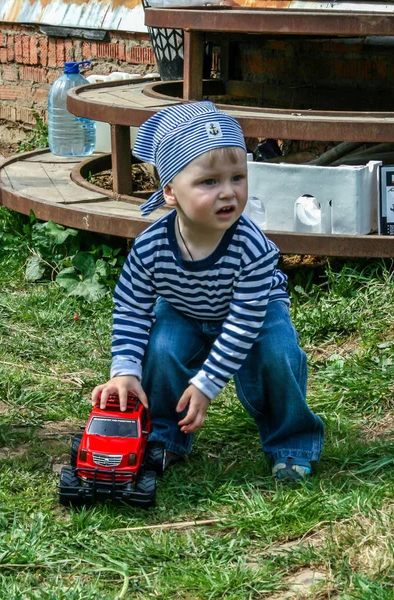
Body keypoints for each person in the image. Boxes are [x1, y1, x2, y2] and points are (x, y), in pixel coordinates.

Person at [92, 101, 324, 482]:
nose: (228, 193)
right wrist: (125, 370)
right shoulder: (150, 247)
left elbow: (243, 324)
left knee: (278, 353)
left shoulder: (252, 247)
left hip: (256, 312)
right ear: (170, 191)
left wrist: (206, 383)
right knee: (163, 348)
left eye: (237, 177)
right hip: (184, 308)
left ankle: (291, 441)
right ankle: (165, 436)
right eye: (209, 182)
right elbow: (132, 308)